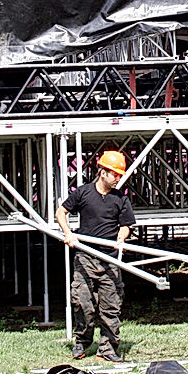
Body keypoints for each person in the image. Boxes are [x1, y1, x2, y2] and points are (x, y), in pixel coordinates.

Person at [56, 150, 136, 362]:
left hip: (109, 259)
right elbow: (60, 212)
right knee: (83, 303)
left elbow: (126, 225)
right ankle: (82, 342)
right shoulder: (83, 193)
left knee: (111, 306)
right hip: (86, 257)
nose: (118, 178)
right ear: (102, 172)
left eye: (120, 175)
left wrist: (120, 239)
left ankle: (108, 349)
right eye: (115, 174)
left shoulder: (121, 199)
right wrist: (68, 234)